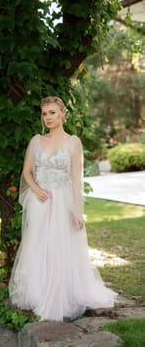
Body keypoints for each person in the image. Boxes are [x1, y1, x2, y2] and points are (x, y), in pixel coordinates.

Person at [9, 96, 117, 321]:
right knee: (39, 246)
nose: (47, 117)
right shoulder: (36, 141)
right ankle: (39, 293)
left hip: (63, 203)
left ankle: (64, 293)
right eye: (44, 113)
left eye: (52, 113)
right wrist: (36, 190)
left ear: (62, 114)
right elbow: (27, 172)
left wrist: (77, 210)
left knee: (61, 247)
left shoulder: (73, 142)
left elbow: (76, 180)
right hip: (40, 202)